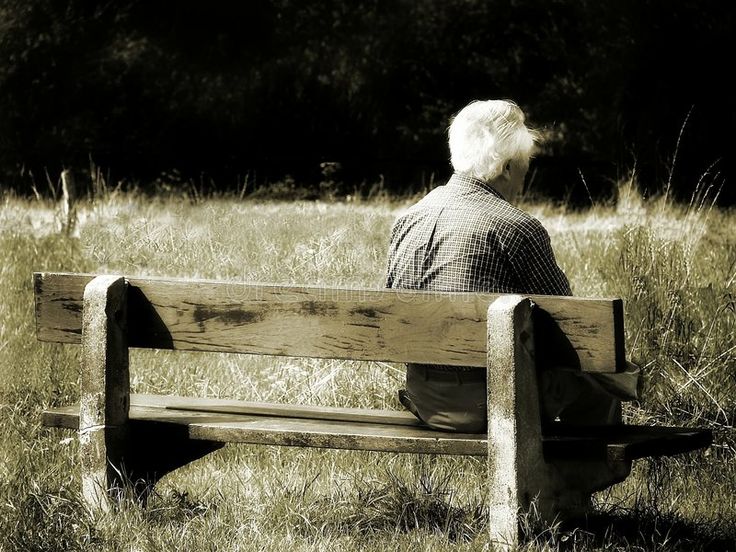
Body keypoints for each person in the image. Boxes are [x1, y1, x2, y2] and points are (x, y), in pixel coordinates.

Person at [385, 99, 638, 433]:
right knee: (598, 381)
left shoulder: (407, 219)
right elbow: (572, 330)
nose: (523, 178)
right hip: (495, 403)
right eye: (524, 167)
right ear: (506, 168)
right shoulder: (518, 228)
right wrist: (626, 375)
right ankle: (573, 480)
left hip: (426, 399)